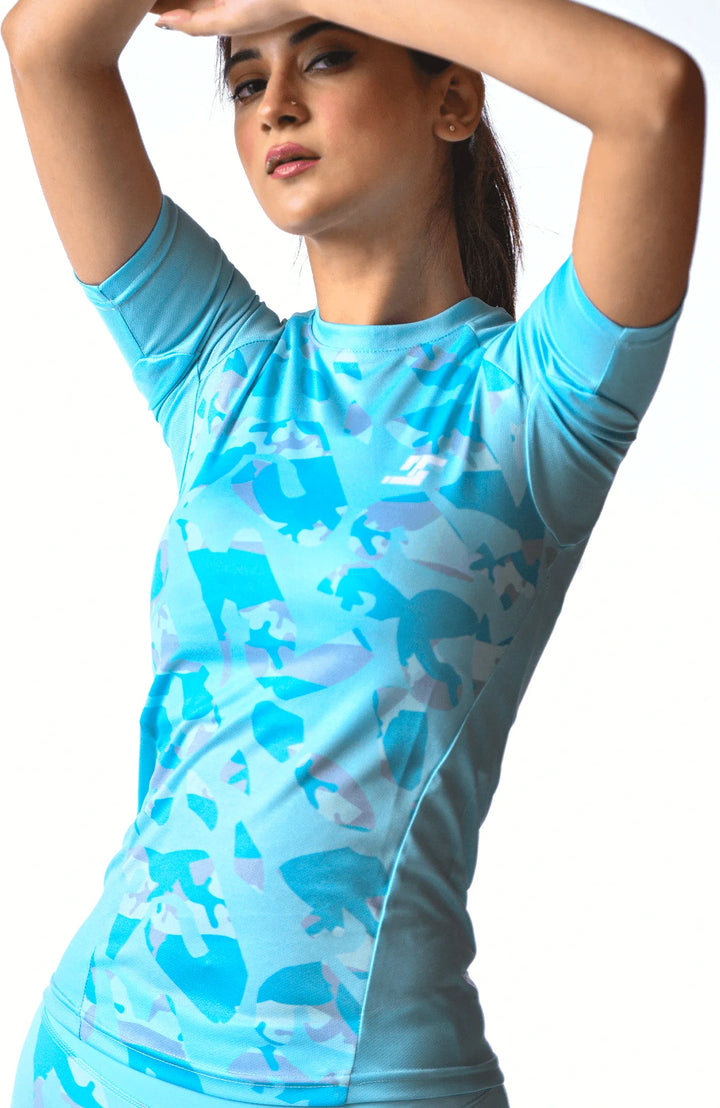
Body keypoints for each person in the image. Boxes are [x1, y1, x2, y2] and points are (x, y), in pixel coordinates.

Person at [3, 0, 705, 1105]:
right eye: (246, 79)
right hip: (93, 1054)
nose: (276, 103)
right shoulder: (218, 375)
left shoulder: (533, 411)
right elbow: (46, 46)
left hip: (360, 1078)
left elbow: (655, 101)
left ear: (453, 97)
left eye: (324, 56)